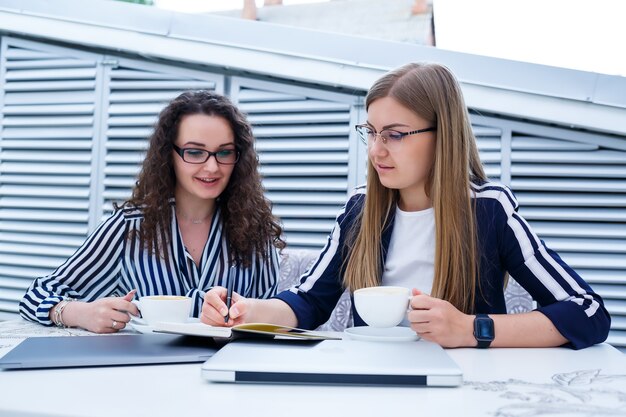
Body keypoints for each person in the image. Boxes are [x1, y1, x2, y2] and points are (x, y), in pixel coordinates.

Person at [200, 63, 610, 350]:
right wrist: (244, 310)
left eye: (394, 135)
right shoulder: (360, 211)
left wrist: (470, 328)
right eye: (372, 132)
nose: (376, 151)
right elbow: (308, 302)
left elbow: (588, 313)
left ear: (442, 135)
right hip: (372, 383)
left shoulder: (489, 211)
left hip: (462, 388)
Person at [19, 91, 284, 333]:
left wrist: (244, 317)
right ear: (169, 155)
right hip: (142, 377)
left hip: (224, 375)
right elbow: (36, 295)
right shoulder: (128, 228)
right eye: (194, 152)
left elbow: (273, 320)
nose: (213, 167)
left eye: (224, 152)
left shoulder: (255, 232)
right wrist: (80, 312)